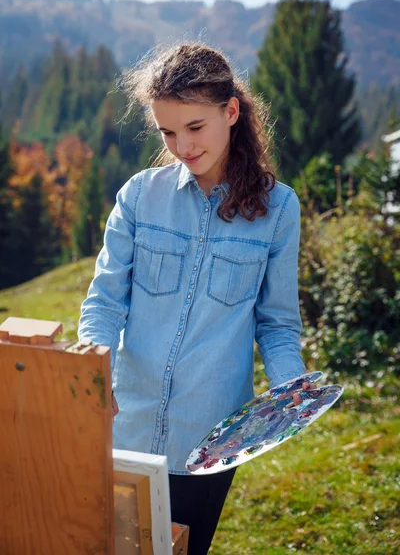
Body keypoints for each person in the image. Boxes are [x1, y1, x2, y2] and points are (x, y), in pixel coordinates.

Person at [78, 42, 315, 555]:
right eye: (167, 131)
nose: (181, 146)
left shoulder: (279, 209)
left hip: (210, 444)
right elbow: (104, 301)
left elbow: (275, 323)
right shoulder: (139, 195)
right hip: (125, 430)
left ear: (230, 112)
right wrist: (92, 367)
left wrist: (290, 390)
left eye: (194, 127)